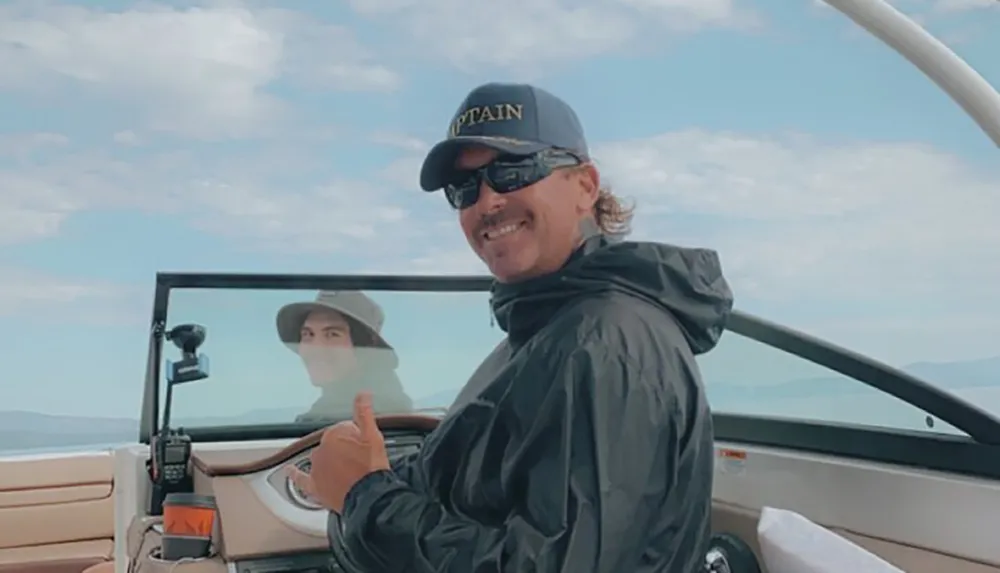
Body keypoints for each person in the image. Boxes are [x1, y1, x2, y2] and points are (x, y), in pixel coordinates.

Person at [290, 83, 734, 572]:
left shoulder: (604, 346)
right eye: (464, 188)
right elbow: (476, 475)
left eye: (512, 170)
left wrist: (367, 497)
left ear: (586, 186)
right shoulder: (545, 332)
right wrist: (377, 472)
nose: (486, 202)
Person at [275, 290, 413, 422]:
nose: (314, 349)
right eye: (307, 334)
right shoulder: (324, 414)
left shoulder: (381, 416)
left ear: (366, 348)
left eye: (332, 334)